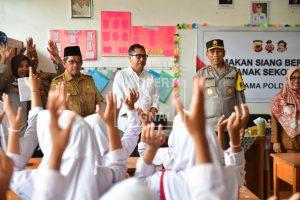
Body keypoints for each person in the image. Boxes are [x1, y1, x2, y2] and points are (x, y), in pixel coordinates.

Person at [197, 39, 246, 136]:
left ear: (224, 53)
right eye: (212, 51)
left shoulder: (234, 72)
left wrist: (241, 124)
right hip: (208, 126)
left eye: (219, 51)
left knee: (230, 151)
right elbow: (197, 101)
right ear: (207, 54)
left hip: (230, 125)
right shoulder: (200, 74)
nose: (215, 54)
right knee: (209, 152)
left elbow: (241, 101)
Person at [113, 44, 159, 132]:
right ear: (130, 58)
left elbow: (155, 101)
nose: (142, 59)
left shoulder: (151, 78)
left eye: (144, 56)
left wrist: (149, 117)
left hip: (147, 124)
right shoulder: (121, 76)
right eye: (138, 56)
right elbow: (118, 101)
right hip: (128, 124)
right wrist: (136, 115)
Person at [50, 45, 103, 117]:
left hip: (90, 123)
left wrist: (97, 118)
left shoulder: (89, 80)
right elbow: (54, 109)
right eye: (71, 62)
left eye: (78, 62)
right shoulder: (57, 82)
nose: (75, 65)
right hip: (70, 124)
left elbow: (98, 101)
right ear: (64, 63)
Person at [271, 67, 300, 153]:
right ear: (287, 78)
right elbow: (274, 122)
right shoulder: (280, 99)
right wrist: (275, 141)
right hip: (290, 144)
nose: (296, 81)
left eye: (299, 78)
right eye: (293, 78)